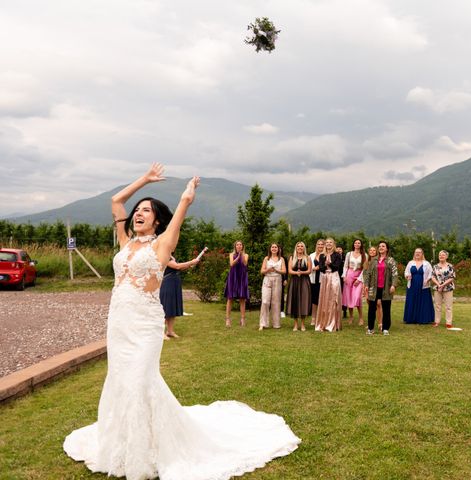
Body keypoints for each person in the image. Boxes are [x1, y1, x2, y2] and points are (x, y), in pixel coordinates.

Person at [64, 163, 300, 479]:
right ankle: (123, 444)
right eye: (138, 210)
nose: (139, 213)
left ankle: (145, 453)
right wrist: (144, 179)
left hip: (146, 324)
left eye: (147, 211)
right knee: (121, 381)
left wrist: (187, 197)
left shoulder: (162, 245)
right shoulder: (125, 242)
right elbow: (116, 202)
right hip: (119, 322)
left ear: (157, 220)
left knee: (140, 380)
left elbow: (179, 214)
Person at [160, 253, 200, 339]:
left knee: (172, 307)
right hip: (167, 283)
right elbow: (177, 266)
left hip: (174, 282)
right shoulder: (164, 255)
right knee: (165, 307)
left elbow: (179, 268)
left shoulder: (171, 256)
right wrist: (191, 262)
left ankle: (170, 331)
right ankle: (161, 332)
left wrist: (190, 265)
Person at [363, 241, 399, 335]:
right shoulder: (374, 260)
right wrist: (366, 285)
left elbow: (395, 274)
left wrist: (393, 285)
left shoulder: (391, 260)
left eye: (383, 246)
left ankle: (385, 328)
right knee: (371, 308)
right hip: (374, 288)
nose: (381, 247)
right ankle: (370, 329)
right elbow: (368, 274)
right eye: (380, 246)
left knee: (386, 308)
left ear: (387, 249)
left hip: (386, 288)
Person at [315, 237, 344, 332]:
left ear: (333, 244)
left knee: (333, 299)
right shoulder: (322, 255)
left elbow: (337, 267)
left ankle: (333, 323)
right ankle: (323, 322)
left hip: (334, 277)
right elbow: (321, 268)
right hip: (325, 278)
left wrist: (330, 264)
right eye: (327, 242)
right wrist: (325, 265)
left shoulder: (337, 255)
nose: (328, 244)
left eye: (330, 242)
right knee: (325, 299)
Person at [403, 248, 435, 325]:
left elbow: (431, 273)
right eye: (416, 252)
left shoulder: (427, 263)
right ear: (414, 254)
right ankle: (411, 319)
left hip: (424, 286)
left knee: (423, 302)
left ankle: (423, 319)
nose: (417, 254)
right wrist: (407, 276)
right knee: (412, 301)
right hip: (412, 286)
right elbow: (406, 272)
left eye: (419, 252)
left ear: (422, 254)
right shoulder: (410, 263)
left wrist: (427, 280)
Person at [259, 243, 286, 331]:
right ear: (270, 249)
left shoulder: (281, 259)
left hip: (278, 280)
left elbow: (284, 271)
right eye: (272, 247)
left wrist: (276, 270)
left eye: (276, 247)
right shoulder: (266, 258)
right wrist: (268, 269)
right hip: (267, 279)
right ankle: (263, 323)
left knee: (276, 302)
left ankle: (276, 324)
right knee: (265, 301)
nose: (274, 248)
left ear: (278, 249)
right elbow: (262, 271)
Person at [286, 241, 312, 331]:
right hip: (294, 281)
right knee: (295, 300)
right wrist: (296, 272)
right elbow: (289, 270)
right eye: (298, 246)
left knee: (304, 301)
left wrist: (302, 272)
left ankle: (303, 324)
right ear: (296, 248)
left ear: (304, 248)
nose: (300, 248)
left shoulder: (307, 257)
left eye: (301, 246)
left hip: (304, 281)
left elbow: (309, 270)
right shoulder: (292, 257)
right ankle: (296, 324)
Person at [224, 240, 249, 327]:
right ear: (235, 246)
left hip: (242, 277)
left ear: (242, 246)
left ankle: (242, 319)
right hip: (233, 277)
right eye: (237, 245)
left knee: (242, 299)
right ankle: (227, 319)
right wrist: (237, 257)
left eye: (240, 245)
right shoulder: (231, 254)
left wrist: (241, 256)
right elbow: (231, 264)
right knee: (230, 298)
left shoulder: (246, 255)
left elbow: (245, 263)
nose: (239, 246)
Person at [342, 239, 367, 326]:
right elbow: (345, 266)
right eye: (355, 243)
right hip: (349, 275)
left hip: (359, 275)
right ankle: (351, 317)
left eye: (359, 243)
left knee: (357, 297)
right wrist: (344, 276)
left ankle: (361, 317)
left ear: (361, 244)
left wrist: (359, 279)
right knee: (349, 297)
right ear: (353, 244)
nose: (357, 244)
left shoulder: (364, 255)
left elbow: (365, 269)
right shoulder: (349, 254)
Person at [432, 250, 456, 328]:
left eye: (443, 255)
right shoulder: (435, 266)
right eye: (440, 255)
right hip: (437, 288)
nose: (441, 256)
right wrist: (439, 285)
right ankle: (437, 321)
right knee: (437, 306)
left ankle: (448, 322)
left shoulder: (450, 266)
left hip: (448, 288)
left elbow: (452, 277)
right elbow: (432, 277)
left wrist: (443, 285)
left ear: (446, 256)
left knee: (448, 306)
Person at [309, 239, 325, 326]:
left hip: (323, 280)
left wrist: (322, 267)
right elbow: (308, 267)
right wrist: (314, 268)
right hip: (313, 280)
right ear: (316, 245)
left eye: (322, 244)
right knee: (314, 300)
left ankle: (322, 318)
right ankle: (313, 318)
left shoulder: (326, 255)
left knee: (322, 299)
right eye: (319, 244)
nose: (320, 246)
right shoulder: (311, 255)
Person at [368, 245, 383, 331]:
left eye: (374, 250)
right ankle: (371, 323)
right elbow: (365, 275)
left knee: (379, 304)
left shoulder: (379, 261)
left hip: (377, 286)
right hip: (369, 287)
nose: (373, 252)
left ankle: (380, 323)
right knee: (371, 306)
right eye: (371, 250)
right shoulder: (366, 262)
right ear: (369, 252)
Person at [336, 244, 348, 319]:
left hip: (343, 278)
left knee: (343, 294)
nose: (339, 250)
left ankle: (344, 310)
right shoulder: (334, 257)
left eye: (340, 249)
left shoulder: (345, 258)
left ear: (342, 250)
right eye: (337, 248)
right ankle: (336, 310)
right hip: (335, 277)